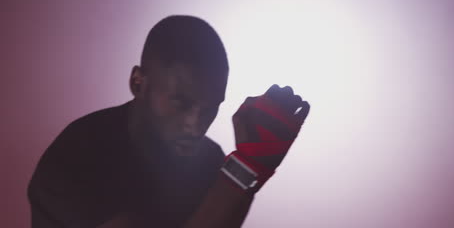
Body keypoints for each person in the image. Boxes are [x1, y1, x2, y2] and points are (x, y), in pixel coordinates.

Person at [28, 15, 310, 228]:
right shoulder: (79, 154)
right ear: (138, 83)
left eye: (210, 108)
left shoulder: (209, 159)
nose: (196, 124)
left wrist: (250, 168)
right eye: (181, 103)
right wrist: (245, 169)